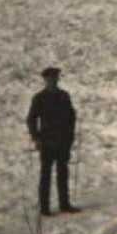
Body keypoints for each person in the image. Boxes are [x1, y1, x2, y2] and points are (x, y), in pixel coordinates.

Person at [27, 66, 80, 215]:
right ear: (45, 80)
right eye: (50, 79)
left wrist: (71, 135)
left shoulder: (64, 96)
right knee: (45, 175)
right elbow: (31, 120)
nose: (53, 81)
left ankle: (64, 204)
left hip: (63, 141)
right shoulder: (39, 98)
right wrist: (36, 138)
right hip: (47, 142)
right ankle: (44, 208)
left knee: (63, 173)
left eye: (55, 78)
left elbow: (71, 117)